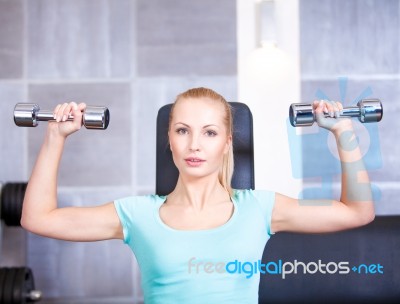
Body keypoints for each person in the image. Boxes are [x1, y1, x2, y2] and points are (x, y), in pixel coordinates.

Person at [21, 87, 374, 303]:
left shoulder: (260, 208)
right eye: (182, 130)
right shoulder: (136, 215)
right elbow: (37, 218)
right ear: (169, 141)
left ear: (226, 142)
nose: (194, 144)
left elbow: (357, 212)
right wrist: (56, 136)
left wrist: (343, 131)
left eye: (209, 132)